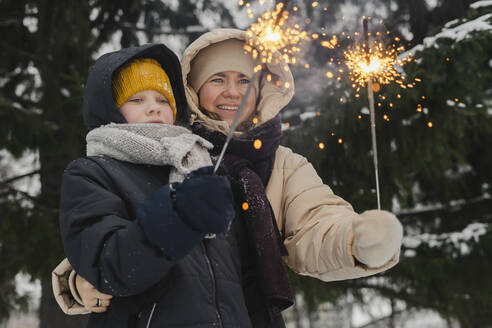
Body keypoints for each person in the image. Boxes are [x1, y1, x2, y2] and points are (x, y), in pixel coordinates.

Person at [53, 29, 403, 327]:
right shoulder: (168, 151)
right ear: (191, 90)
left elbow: (315, 223)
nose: (233, 92)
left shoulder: (280, 164)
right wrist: (78, 278)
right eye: (218, 79)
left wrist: (356, 240)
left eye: (244, 80)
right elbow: (104, 236)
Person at [53, 43, 238, 327]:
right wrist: (178, 214)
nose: (154, 108)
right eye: (136, 100)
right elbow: (108, 266)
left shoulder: (200, 165)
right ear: (108, 110)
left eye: (163, 100)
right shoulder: (92, 173)